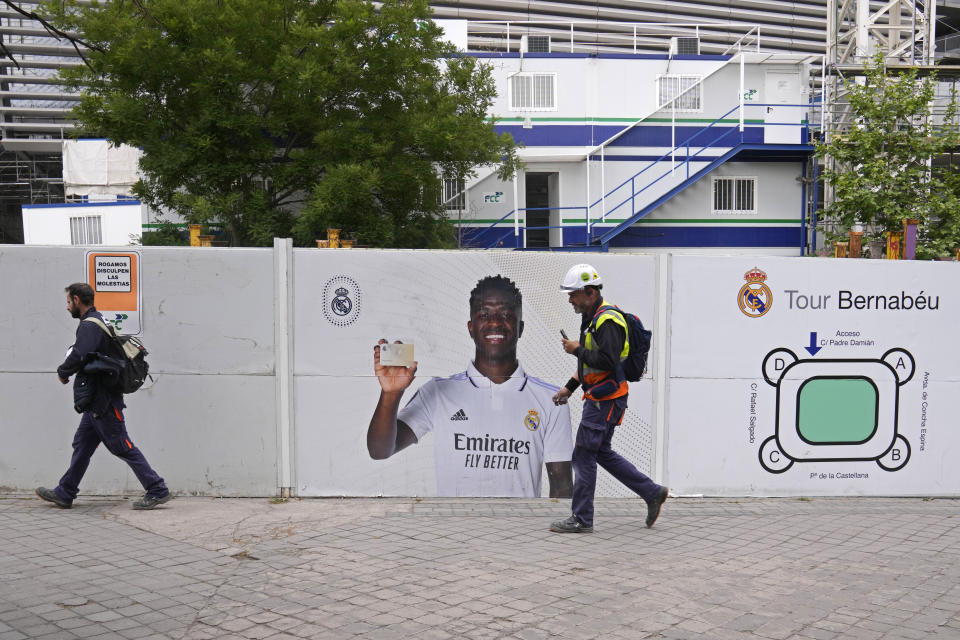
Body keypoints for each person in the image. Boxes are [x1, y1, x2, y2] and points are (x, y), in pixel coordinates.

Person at [367, 275, 573, 497]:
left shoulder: (551, 399)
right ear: (471, 328)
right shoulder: (437, 392)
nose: (495, 322)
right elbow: (379, 450)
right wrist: (391, 395)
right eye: (484, 315)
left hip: (518, 530)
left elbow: (562, 487)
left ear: (520, 328)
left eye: (505, 315)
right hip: (454, 530)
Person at [549, 264, 668, 533]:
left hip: (606, 400)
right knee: (600, 452)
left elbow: (606, 361)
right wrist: (569, 388)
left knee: (583, 455)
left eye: (573, 294)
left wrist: (577, 349)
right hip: (602, 398)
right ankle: (652, 492)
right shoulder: (591, 318)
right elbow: (589, 367)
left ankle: (581, 519)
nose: (570, 300)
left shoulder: (608, 321)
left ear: (590, 292)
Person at [35, 283, 171, 511]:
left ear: (77, 300)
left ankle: (157, 488)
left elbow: (80, 354)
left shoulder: (90, 325)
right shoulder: (100, 320)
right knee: (82, 445)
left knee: (121, 445)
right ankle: (65, 492)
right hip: (97, 401)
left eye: (68, 302)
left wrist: (63, 372)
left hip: (104, 400)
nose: (67, 307)